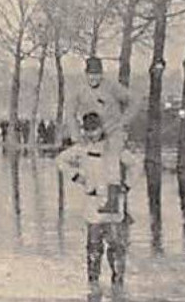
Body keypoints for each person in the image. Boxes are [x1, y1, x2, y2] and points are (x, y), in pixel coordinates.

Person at [55, 112, 143, 286]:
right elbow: (60, 160)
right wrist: (76, 177)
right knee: (93, 245)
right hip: (92, 201)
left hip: (112, 200)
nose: (91, 134)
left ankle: (118, 282)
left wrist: (127, 185)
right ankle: (93, 282)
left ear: (102, 128)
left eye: (94, 130)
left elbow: (136, 164)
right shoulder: (82, 149)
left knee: (116, 245)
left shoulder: (115, 148)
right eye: (87, 130)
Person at [68, 56, 138, 153]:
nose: (93, 77)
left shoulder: (111, 86)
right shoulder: (80, 90)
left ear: (102, 74)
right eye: (90, 74)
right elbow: (70, 113)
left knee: (112, 158)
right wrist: (76, 135)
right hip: (91, 135)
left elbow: (134, 101)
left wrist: (123, 122)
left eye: (97, 74)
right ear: (86, 74)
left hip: (112, 133)